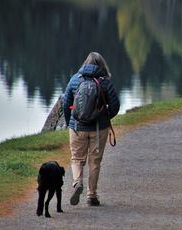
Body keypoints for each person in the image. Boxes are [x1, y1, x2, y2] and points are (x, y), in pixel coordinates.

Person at [63, 52, 120, 206]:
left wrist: (71, 123)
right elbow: (115, 106)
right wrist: (105, 118)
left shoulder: (75, 79)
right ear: (102, 65)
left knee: (76, 158)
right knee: (95, 162)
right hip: (98, 128)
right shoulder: (105, 82)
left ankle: (77, 182)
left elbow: (65, 103)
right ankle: (91, 196)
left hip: (77, 127)